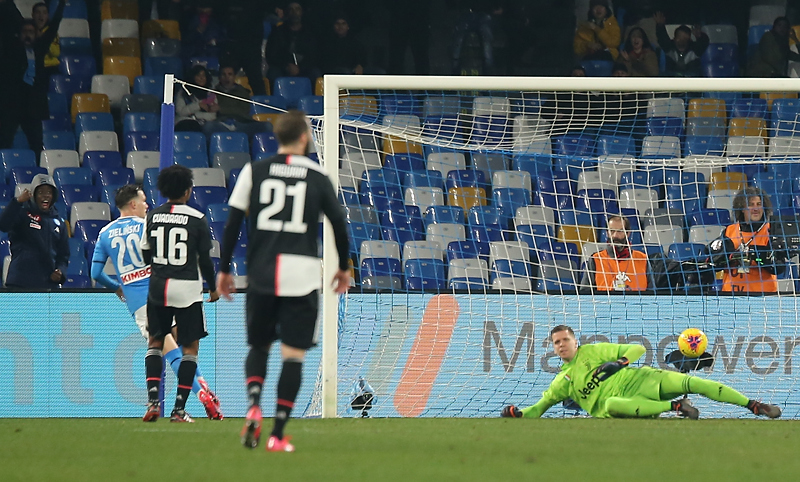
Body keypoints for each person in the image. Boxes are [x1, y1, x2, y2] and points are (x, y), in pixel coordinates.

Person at [216, 110, 351, 452]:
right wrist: (343, 267)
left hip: (261, 272)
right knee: (293, 357)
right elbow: (338, 223)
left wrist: (223, 268)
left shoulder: (254, 170)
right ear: (305, 138)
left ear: (277, 137)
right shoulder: (319, 176)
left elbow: (232, 223)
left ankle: (253, 404)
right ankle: (277, 434)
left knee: (259, 347)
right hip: (302, 276)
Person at [91, 184, 223, 420]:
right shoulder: (146, 225)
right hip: (165, 292)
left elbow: (95, 272)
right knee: (183, 348)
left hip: (141, 304)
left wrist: (117, 288)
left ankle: (191, 395)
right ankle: (203, 392)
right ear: (133, 204)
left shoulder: (105, 233)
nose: (147, 205)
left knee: (167, 349)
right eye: (143, 201)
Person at [501, 325, 782, 419]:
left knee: (692, 381)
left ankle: (754, 405)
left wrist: (620, 362)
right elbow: (539, 408)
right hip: (621, 404)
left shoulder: (594, 350)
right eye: (556, 342)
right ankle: (676, 406)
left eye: (565, 340)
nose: (561, 345)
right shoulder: (562, 381)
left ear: (575, 341)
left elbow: (636, 349)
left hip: (643, 380)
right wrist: (518, 413)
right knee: (609, 404)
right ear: (553, 348)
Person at [140, 166, 220, 423]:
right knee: (190, 349)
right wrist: (214, 286)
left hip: (158, 288)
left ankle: (153, 402)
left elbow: (145, 255)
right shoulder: (197, 218)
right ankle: (178, 410)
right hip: (187, 290)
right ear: (188, 190)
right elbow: (205, 260)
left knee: (155, 342)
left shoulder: (152, 216)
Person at [0, 0, 65, 156]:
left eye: (31, 32)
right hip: (12, 105)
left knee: (36, 144)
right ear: (20, 34)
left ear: (36, 35)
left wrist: (62, 4)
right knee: (4, 141)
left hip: (33, 106)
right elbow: (9, 22)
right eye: (25, 32)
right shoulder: (11, 50)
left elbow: (54, 25)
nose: (28, 35)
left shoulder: (39, 49)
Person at [709, 187, 788, 294]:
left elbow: (779, 268)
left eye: (759, 204)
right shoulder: (729, 231)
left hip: (764, 297)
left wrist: (760, 256)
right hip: (731, 295)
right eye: (751, 204)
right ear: (742, 208)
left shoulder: (771, 230)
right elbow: (716, 263)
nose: (756, 208)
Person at [0, 174, 68, 289]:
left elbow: (63, 256)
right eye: (41, 192)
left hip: (47, 286)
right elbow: (3, 225)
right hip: (20, 283)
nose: (46, 196)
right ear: (33, 195)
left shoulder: (60, 223)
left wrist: (60, 272)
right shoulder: (22, 213)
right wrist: (17, 202)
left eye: (49, 192)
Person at [582, 216, 653, 292]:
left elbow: (653, 293)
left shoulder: (642, 259)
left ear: (628, 233)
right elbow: (585, 293)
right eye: (612, 231)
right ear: (607, 233)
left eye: (620, 231)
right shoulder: (596, 259)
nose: (615, 235)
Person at [202, 65, 269, 138]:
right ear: (220, 78)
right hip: (223, 124)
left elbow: (243, 110)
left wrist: (221, 109)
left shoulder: (242, 92)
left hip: (242, 124)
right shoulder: (213, 93)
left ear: (234, 77)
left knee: (267, 126)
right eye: (224, 74)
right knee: (208, 126)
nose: (227, 77)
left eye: (230, 74)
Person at [265, 2, 320, 87]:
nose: (294, 12)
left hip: (304, 68)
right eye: (291, 9)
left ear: (302, 12)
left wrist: (300, 68)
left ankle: (313, 100)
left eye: (297, 9)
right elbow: (271, 55)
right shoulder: (278, 31)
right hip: (283, 67)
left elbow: (314, 55)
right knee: (273, 73)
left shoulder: (310, 32)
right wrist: (286, 66)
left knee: (315, 73)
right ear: (287, 12)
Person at [653, 12, 709, 77]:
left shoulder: (695, 49)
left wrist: (699, 36)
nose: (681, 40)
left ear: (689, 39)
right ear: (674, 38)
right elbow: (662, 37)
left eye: (684, 38)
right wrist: (660, 25)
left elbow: (704, 42)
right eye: (679, 37)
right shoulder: (669, 47)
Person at [175, 65, 218, 132]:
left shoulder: (210, 94)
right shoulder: (183, 92)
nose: (201, 78)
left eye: (203, 75)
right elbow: (180, 112)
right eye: (198, 75)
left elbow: (212, 116)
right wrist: (198, 105)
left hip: (203, 124)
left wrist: (195, 115)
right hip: (184, 122)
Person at [31, 2, 61, 78]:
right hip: (33, 68)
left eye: (44, 13)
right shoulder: (28, 31)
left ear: (47, 16)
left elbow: (56, 53)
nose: (41, 16)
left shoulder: (51, 32)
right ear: (33, 15)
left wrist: (44, 39)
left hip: (50, 68)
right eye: (38, 12)